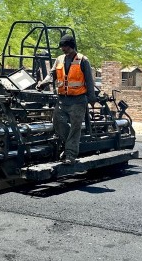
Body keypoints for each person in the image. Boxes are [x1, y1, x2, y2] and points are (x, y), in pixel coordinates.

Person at [36, 34, 97, 164]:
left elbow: (89, 81)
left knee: (75, 128)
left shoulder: (83, 60)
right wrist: (43, 83)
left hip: (78, 100)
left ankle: (70, 155)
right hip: (62, 100)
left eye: (65, 47)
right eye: (62, 47)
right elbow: (52, 74)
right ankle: (71, 144)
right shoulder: (59, 59)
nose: (63, 49)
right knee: (57, 123)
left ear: (71, 46)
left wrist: (92, 99)